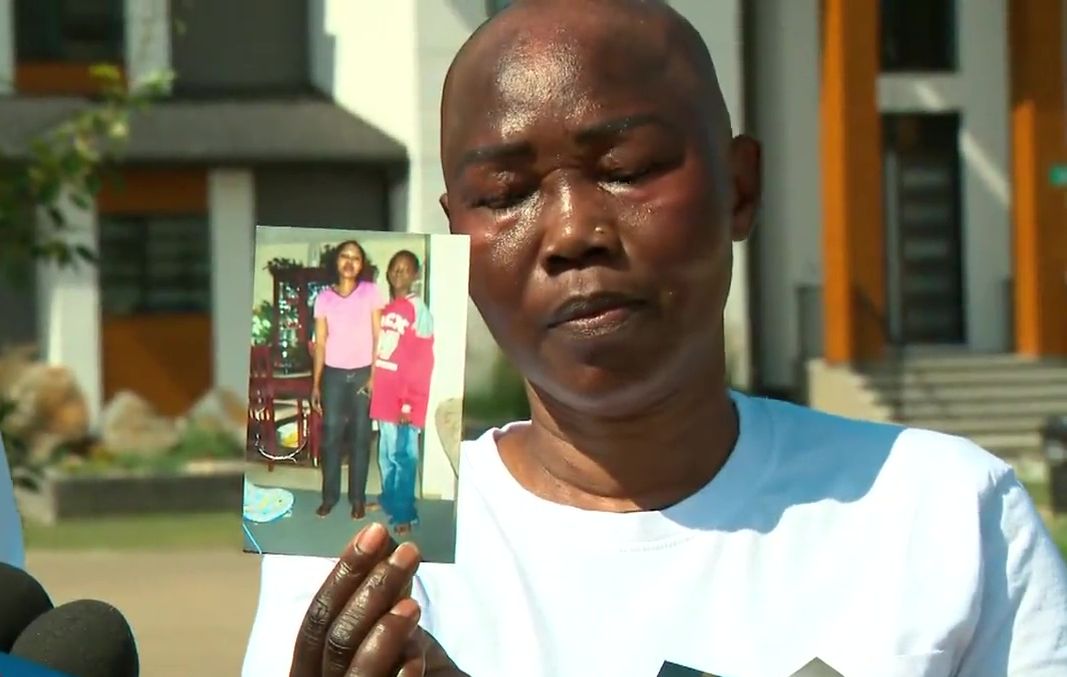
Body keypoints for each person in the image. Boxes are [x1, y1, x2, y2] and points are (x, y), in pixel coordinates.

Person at [243, 1, 1067, 675]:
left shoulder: (942, 514)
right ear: (454, 241)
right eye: (505, 192)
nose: (571, 231)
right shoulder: (368, 555)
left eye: (627, 167)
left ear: (739, 188)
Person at [311, 240, 384, 520]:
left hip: (363, 374)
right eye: (345, 256)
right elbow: (320, 343)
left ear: (361, 264)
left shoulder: (371, 292)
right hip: (333, 375)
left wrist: (375, 376)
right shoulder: (323, 298)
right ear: (336, 261)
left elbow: (379, 337)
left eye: (356, 257)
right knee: (330, 438)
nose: (350, 261)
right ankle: (329, 497)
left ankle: (357, 499)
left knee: (361, 438)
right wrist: (316, 384)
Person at [369, 250, 435, 535]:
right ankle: (389, 499)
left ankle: (405, 512)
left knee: (403, 456)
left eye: (405, 269)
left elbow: (422, 361)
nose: (398, 273)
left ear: (416, 275)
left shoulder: (419, 311)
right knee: (385, 454)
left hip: (403, 402)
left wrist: (409, 403)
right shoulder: (388, 310)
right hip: (384, 397)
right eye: (394, 268)